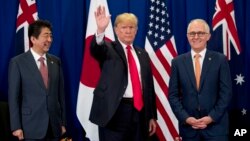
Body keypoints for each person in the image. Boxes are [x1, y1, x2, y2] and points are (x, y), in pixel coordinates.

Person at [89, 6, 157, 141]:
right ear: (116, 30)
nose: (128, 31)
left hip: (139, 113)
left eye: (131, 27)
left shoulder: (142, 54)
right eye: (123, 27)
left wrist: (151, 116)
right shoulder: (108, 48)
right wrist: (101, 30)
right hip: (114, 112)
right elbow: (96, 48)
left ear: (136, 30)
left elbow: (149, 87)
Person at [168, 19, 232, 141]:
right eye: (192, 33)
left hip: (216, 128)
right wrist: (186, 118)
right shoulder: (177, 62)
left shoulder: (220, 60)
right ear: (187, 36)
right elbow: (173, 95)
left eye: (200, 33)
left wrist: (211, 117)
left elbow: (226, 93)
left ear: (208, 36)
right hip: (189, 130)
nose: (196, 37)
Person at [8, 20, 66, 141]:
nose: (50, 39)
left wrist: (63, 122)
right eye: (46, 35)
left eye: (51, 36)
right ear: (33, 39)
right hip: (30, 127)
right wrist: (16, 127)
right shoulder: (17, 62)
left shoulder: (56, 62)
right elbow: (13, 98)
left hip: (54, 126)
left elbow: (61, 96)